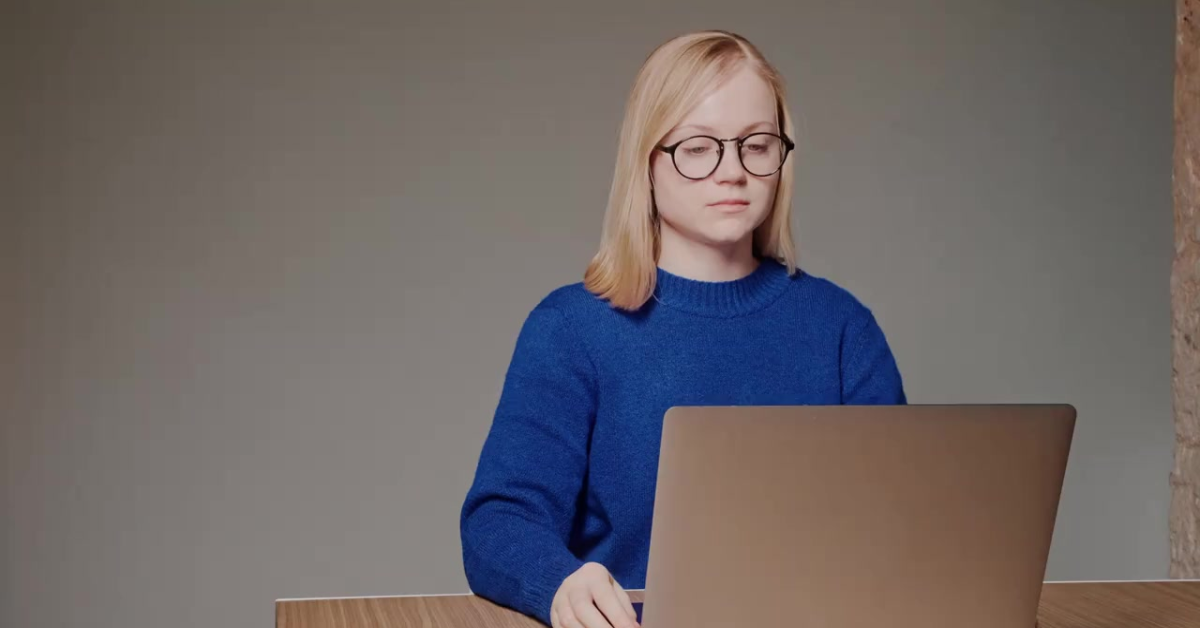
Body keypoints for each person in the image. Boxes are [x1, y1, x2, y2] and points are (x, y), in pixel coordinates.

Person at [459, 30, 906, 628]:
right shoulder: (572, 329)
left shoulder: (842, 328)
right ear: (647, 159)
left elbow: (902, 525)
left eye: (757, 143)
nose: (733, 171)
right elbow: (499, 520)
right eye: (698, 147)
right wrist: (561, 580)